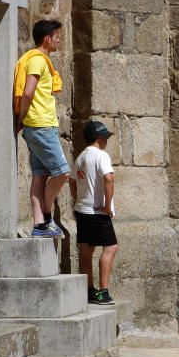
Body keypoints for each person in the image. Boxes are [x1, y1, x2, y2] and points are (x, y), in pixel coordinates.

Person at [13, 19, 70, 238]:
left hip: (36, 125)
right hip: (41, 124)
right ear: (47, 38)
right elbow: (28, 92)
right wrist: (23, 117)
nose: (59, 40)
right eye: (57, 36)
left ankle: (38, 225)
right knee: (63, 173)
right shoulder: (37, 60)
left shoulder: (30, 58)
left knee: (40, 175)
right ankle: (46, 217)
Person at [69, 121, 119, 306]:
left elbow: (72, 181)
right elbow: (109, 178)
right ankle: (103, 292)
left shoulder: (81, 157)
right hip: (97, 212)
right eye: (105, 137)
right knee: (111, 247)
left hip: (83, 210)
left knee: (86, 250)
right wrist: (107, 205)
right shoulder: (101, 156)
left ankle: (89, 290)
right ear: (100, 138)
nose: (106, 140)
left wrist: (77, 198)